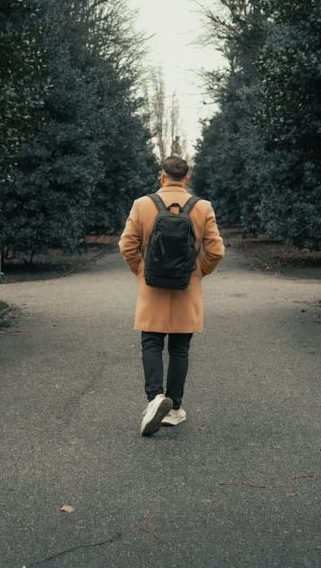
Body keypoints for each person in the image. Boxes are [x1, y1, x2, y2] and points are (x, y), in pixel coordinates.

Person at [118, 156, 225, 436]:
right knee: (179, 349)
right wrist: (197, 271)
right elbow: (216, 251)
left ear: (161, 177)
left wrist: (141, 270)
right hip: (185, 288)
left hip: (152, 287)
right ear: (186, 179)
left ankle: (155, 398)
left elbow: (127, 245)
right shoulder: (202, 208)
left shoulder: (142, 205)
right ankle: (174, 408)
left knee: (151, 343)